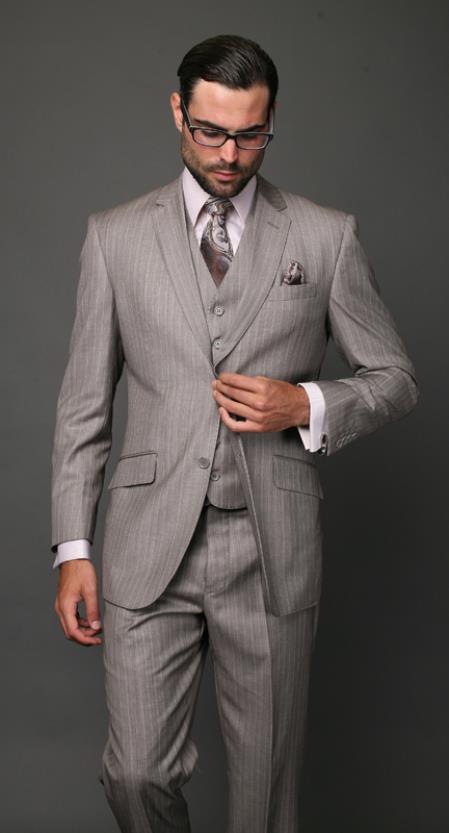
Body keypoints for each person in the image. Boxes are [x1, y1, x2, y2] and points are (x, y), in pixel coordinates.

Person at [52, 33, 418, 833]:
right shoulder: (114, 236)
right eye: (211, 131)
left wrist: (305, 404)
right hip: (148, 544)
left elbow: (394, 377)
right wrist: (73, 548)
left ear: (271, 119)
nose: (228, 154)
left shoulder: (325, 235)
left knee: (264, 796)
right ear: (177, 112)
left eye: (250, 135)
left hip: (270, 546)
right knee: (136, 774)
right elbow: (83, 407)